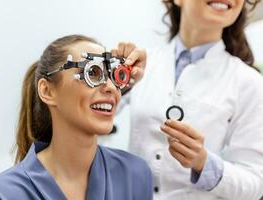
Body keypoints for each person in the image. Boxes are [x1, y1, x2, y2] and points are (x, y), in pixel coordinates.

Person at [113, 0, 263, 199]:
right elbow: (82, 122)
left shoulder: (249, 83)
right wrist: (116, 82)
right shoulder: (141, 63)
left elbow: (254, 184)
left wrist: (204, 163)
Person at [0, 34, 153, 200]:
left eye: (114, 76)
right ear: (47, 91)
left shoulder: (134, 175)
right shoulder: (1, 195)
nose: (112, 88)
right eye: (92, 73)